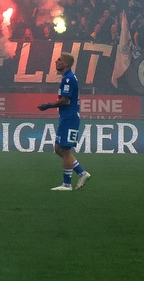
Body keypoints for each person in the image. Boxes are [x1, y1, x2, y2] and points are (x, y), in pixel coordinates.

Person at [38, 53, 91, 191]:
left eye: (59, 60)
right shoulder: (67, 78)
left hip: (70, 118)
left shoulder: (68, 79)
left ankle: (67, 184)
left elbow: (65, 100)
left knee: (66, 151)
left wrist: (47, 105)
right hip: (66, 117)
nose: (56, 61)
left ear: (66, 64)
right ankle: (82, 173)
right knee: (58, 148)